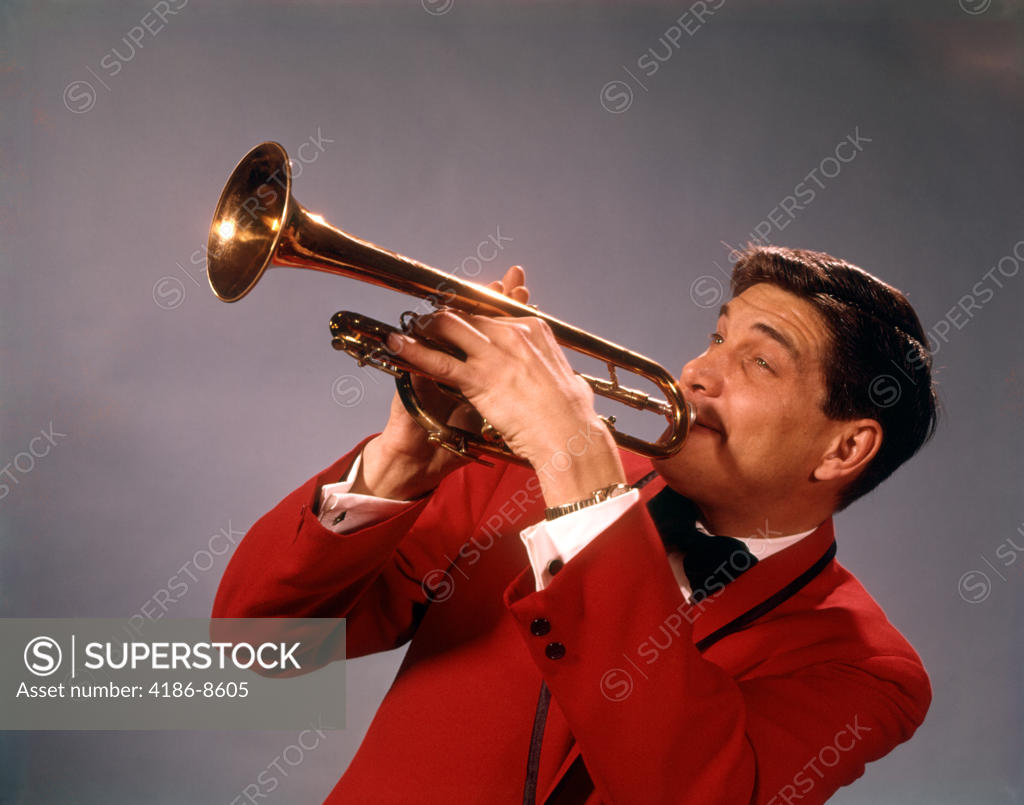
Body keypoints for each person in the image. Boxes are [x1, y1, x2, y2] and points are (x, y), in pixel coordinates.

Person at [213, 246, 938, 804]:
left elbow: (688, 790)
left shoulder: (871, 672)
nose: (697, 372)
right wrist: (399, 464)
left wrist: (579, 473)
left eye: (759, 362)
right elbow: (257, 652)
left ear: (846, 447)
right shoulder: (524, 469)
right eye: (716, 338)